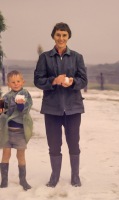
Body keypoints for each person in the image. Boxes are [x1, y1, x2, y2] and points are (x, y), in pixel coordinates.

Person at [34, 22, 87, 188]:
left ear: (68, 37)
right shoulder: (44, 57)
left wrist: (72, 82)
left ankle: (75, 176)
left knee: (73, 143)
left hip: (73, 108)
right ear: (53, 36)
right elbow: (37, 80)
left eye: (64, 35)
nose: (61, 38)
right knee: (54, 144)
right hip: (51, 108)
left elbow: (84, 81)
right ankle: (54, 176)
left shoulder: (77, 57)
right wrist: (53, 81)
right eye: (58, 35)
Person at [0, 70, 33, 191]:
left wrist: (21, 106)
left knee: (21, 155)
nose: (16, 84)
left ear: (22, 82)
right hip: (7, 131)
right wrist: (1, 108)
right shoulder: (6, 96)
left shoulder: (25, 94)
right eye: (13, 82)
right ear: (8, 84)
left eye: (18, 81)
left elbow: (27, 109)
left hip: (20, 132)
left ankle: (23, 180)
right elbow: (2, 112)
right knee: (6, 154)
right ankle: (4, 180)